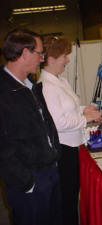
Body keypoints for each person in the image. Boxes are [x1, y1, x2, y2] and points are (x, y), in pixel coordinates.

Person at [0, 29, 62, 225]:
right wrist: (26, 182)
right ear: (25, 53)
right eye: (40, 53)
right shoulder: (4, 92)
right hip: (29, 182)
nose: (42, 59)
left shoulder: (31, 85)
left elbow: (45, 125)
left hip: (50, 171)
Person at [39, 36, 102, 225]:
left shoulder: (60, 81)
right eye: (64, 56)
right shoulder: (47, 87)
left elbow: (69, 106)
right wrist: (85, 119)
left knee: (73, 193)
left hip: (74, 146)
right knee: (67, 197)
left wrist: (83, 109)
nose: (67, 60)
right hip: (63, 149)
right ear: (51, 59)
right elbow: (58, 122)